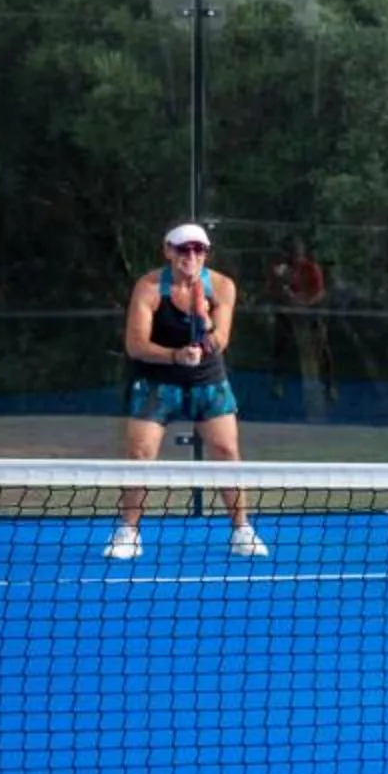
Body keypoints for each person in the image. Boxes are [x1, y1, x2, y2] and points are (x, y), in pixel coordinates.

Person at [111, 223, 265, 560]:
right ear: (168, 251)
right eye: (183, 249)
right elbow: (136, 345)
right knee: (139, 453)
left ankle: (242, 530)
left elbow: (220, 340)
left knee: (226, 451)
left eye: (199, 249)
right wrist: (175, 356)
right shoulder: (149, 287)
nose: (191, 256)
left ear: (206, 254)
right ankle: (128, 532)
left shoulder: (222, 286)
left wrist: (205, 325)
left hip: (207, 380)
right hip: (156, 381)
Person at [266, 232, 334, 416]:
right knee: (281, 340)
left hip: (309, 311)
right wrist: (282, 284)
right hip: (289, 312)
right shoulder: (280, 270)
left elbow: (319, 293)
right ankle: (277, 382)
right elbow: (273, 293)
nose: (295, 256)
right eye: (291, 252)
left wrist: (304, 303)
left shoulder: (311, 268)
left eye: (297, 252)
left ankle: (329, 384)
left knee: (322, 345)